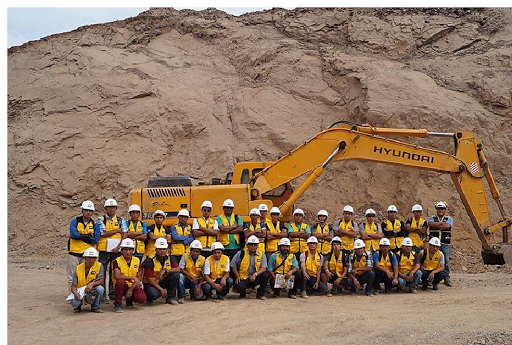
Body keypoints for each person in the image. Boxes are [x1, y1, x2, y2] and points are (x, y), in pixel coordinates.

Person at [96, 198, 128, 301]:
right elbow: (103, 233)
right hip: (104, 251)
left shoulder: (120, 220)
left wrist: (119, 246)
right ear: (105, 208)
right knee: (102, 272)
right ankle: (102, 295)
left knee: (114, 273)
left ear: (116, 208)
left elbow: (125, 233)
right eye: (109, 207)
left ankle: (113, 293)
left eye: (113, 207)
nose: (111, 209)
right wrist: (117, 230)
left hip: (117, 250)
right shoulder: (101, 220)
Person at [67, 200, 100, 294]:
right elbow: (74, 235)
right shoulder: (75, 222)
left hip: (87, 256)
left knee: (87, 277)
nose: (88, 212)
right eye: (86, 210)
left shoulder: (94, 225)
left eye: (90, 210)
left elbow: (96, 239)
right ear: (82, 211)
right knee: (71, 277)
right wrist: (88, 236)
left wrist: (81, 235)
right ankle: (72, 296)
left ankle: (85, 296)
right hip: (74, 254)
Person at [142, 238, 180, 305]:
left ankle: (170, 298)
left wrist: (165, 271)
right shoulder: (150, 261)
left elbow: (177, 269)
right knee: (153, 294)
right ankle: (149, 298)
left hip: (162, 281)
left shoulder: (170, 258)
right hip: (151, 283)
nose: (162, 251)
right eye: (160, 249)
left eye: (164, 249)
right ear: (156, 250)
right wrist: (161, 290)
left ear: (167, 250)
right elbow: (149, 279)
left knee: (175, 275)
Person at [112, 238, 146, 313]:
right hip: (121, 286)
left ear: (133, 250)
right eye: (125, 249)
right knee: (120, 282)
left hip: (132, 285)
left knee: (141, 298)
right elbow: (117, 276)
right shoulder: (116, 261)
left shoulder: (137, 260)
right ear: (122, 250)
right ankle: (118, 304)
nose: (128, 252)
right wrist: (132, 277)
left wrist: (130, 289)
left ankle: (129, 300)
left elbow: (138, 278)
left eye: (130, 249)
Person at [231, 235, 269, 300]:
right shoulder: (241, 253)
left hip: (256, 277)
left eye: (255, 244)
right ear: (247, 245)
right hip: (244, 278)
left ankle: (260, 294)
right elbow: (233, 265)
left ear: (257, 245)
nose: (253, 246)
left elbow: (264, 267)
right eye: (251, 244)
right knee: (240, 286)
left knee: (265, 275)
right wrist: (237, 277)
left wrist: (255, 274)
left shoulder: (261, 254)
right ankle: (242, 294)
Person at [69, 247, 105, 313]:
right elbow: (73, 285)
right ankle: (78, 306)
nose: (91, 260)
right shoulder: (78, 268)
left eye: (94, 258)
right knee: (75, 303)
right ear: (84, 258)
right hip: (80, 291)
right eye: (89, 257)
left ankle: (95, 307)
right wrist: (75, 293)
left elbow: (101, 280)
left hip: (92, 289)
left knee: (100, 289)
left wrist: (92, 284)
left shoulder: (99, 266)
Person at [428, 201, 453, 287]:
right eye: (439, 209)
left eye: (442, 209)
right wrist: (442, 224)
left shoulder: (449, 218)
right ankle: (430, 278)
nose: (440, 210)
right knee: (431, 260)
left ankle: (446, 278)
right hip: (433, 244)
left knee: (445, 261)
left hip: (444, 243)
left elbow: (447, 226)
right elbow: (431, 224)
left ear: (445, 210)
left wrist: (436, 225)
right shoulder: (431, 218)